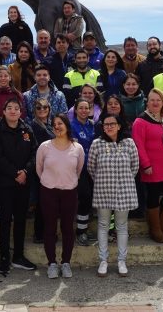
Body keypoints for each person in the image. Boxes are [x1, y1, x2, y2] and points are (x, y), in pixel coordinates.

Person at [0, 98, 38, 273]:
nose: (13, 111)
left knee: (21, 220)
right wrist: (15, 173)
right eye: (9, 108)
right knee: (5, 219)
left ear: (20, 112)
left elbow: (34, 152)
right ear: (3, 111)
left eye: (16, 108)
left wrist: (25, 171)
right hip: (5, 183)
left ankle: (18, 256)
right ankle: (4, 258)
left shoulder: (27, 129)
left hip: (24, 182)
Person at [87, 114, 139, 277]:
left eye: (112, 124)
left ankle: (121, 261)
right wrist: (104, 180)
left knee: (121, 227)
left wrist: (122, 180)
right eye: (105, 124)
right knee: (103, 225)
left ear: (119, 126)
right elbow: (91, 167)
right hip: (103, 191)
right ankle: (103, 261)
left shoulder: (129, 143)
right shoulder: (97, 144)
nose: (109, 126)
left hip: (124, 191)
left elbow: (135, 166)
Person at [36, 113, 84, 279]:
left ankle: (66, 263)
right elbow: (39, 169)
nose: (57, 127)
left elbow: (78, 169)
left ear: (67, 126)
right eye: (54, 124)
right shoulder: (44, 146)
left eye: (60, 123)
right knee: (49, 228)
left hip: (69, 192)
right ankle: (52, 263)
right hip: (49, 191)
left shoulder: (77, 148)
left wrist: (67, 181)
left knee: (67, 229)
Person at [131, 88, 163, 243]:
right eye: (152, 100)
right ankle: (155, 229)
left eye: (158, 100)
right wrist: (145, 164)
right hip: (151, 167)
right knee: (153, 197)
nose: (155, 103)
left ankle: (161, 225)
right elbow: (138, 145)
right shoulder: (140, 121)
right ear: (147, 102)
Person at [120, 73, 146, 218]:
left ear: (138, 85)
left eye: (133, 84)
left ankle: (140, 209)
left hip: (143, 143)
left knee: (141, 178)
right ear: (123, 86)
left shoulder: (145, 100)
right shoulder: (118, 101)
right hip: (124, 144)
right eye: (128, 84)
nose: (131, 87)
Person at [70, 98, 96, 246]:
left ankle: (84, 229)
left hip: (93, 168)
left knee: (90, 199)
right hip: (78, 169)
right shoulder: (71, 126)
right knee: (85, 197)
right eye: (81, 108)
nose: (84, 111)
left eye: (87, 108)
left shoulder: (93, 125)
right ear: (75, 109)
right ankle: (80, 232)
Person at [29, 97, 55, 244]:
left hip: (53, 169)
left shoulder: (52, 125)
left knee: (49, 203)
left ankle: (48, 232)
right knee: (41, 203)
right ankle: (39, 234)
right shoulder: (31, 126)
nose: (42, 110)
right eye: (39, 107)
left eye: (45, 107)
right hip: (39, 169)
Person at [0, 65, 26, 130]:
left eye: (6, 76)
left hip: (15, 133)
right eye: (0, 76)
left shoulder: (17, 95)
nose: (3, 78)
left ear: (10, 78)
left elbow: (22, 116)